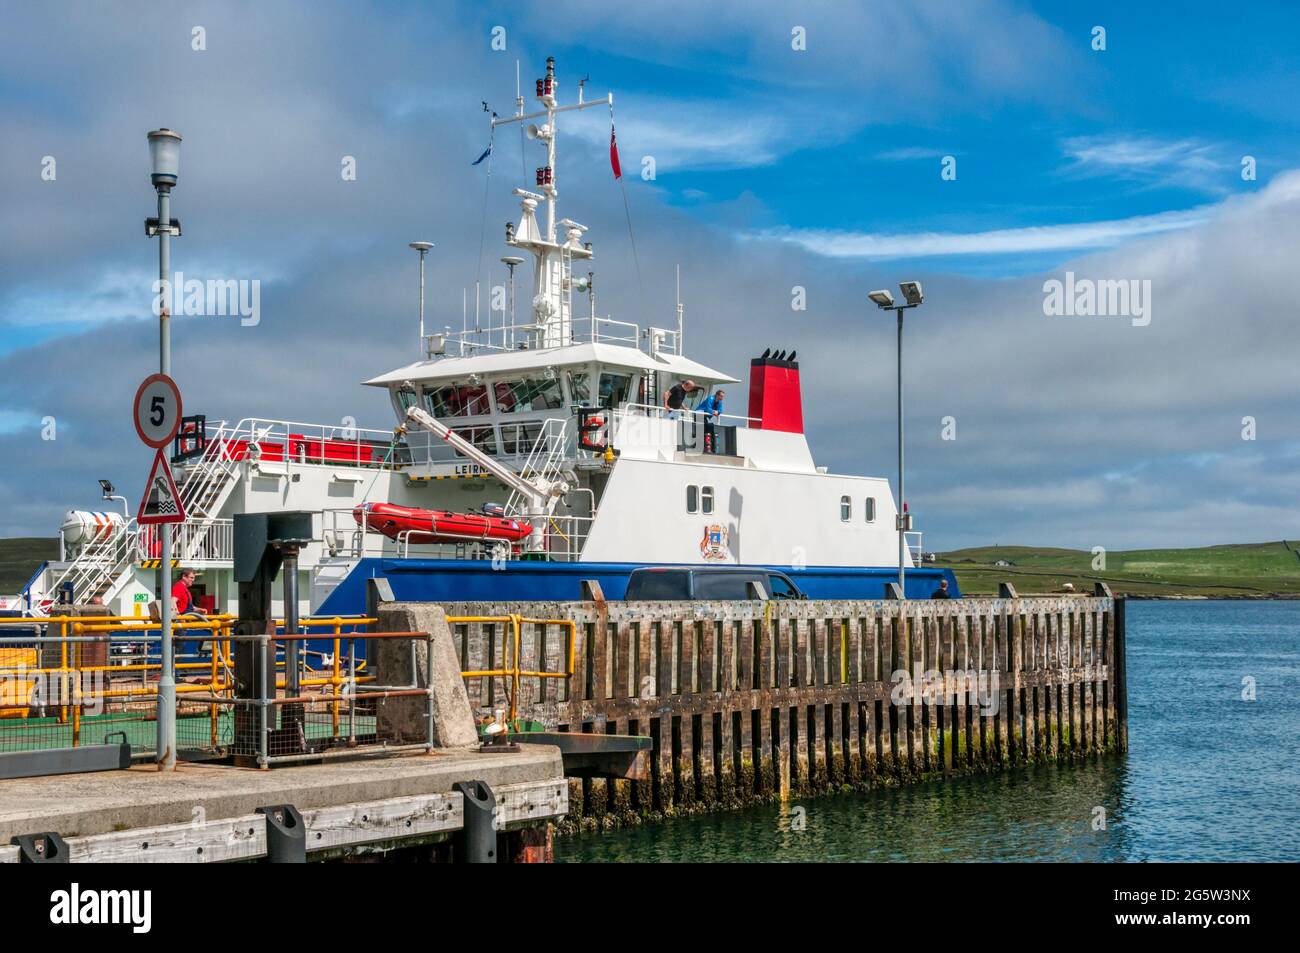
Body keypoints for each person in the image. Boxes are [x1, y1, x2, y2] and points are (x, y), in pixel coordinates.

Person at [695, 389, 725, 453]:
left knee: (707, 429)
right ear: (717, 395)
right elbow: (708, 408)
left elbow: (720, 410)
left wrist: (717, 412)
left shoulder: (719, 401)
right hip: (699, 413)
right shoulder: (710, 398)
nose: (722, 398)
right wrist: (713, 412)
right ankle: (700, 447)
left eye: (723, 396)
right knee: (702, 429)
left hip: (704, 416)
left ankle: (708, 447)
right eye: (721, 396)